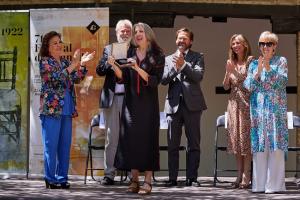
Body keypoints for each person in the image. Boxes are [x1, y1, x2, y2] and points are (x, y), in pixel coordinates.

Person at [112, 22, 165, 195]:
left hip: (148, 105)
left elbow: (155, 81)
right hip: (131, 103)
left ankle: (148, 181)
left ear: (148, 34)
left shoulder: (157, 55)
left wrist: (137, 67)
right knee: (131, 141)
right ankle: (134, 180)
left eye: (141, 31)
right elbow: (124, 79)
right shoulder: (129, 52)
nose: (137, 34)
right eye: (135, 32)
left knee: (149, 141)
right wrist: (114, 66)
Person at [39, 31, 94, 189]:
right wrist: (74, 64)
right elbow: (56, 79)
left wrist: (82, 63)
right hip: (51, 110)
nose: (58, 45)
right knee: (51, 145)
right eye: (54, 43)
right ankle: (50, 179)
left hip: (67, 109)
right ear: (48, 48)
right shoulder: (45, 62)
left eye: (59, 42)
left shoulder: (64, 62)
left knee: (64, 146)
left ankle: (62, 178)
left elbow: (76, 78)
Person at [161, 27, 207, 187]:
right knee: (172, 143)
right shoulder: (167, 59)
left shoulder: (197, 57)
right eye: (179, 38)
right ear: (176, 40)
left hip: (193, 106)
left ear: (191, 41)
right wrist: (176, 67)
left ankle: (192, 178)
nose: (181, 41)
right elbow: (164, 80)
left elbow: (198, 76)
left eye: (185, 38)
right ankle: (172, 178)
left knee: (193, 143)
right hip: (173, 105)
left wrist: (183, 65)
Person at [244, 31, 288, 193]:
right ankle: (259, 185)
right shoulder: (255, 63)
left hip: (275, 111)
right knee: (260, 147)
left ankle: (275, 186)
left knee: (275, 147)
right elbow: (248, 86)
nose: (265, 47)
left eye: (269, 44)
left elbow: (281, 83)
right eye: (262, 44)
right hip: (258, 111)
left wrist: (268, 68)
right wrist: (257, 73)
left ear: (275, 46)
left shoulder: (281, 61)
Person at [96, 19, 132, 185]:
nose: (124, 33)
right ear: (116, 33)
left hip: (130, 100)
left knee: (131, 137)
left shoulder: (136, 50)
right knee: (112, 138)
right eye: (121, 31)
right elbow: (99, 70)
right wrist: (110, 63)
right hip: (112, 99)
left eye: (127, 31)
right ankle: (109, 174)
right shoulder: (108, 49)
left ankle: (133, 175)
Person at [222, 34, 253, 189]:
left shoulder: (250, 61)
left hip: (247, 104)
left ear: (245, 45)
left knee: (246, 140)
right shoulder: (231, 62)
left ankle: (247, 176)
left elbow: (248, 83)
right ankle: (238, 175)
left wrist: (234, 70)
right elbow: (226, 86)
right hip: (233, 104)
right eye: (233, 43)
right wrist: (228, 72)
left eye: (238, 42)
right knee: (236, 141)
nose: (235, 45)